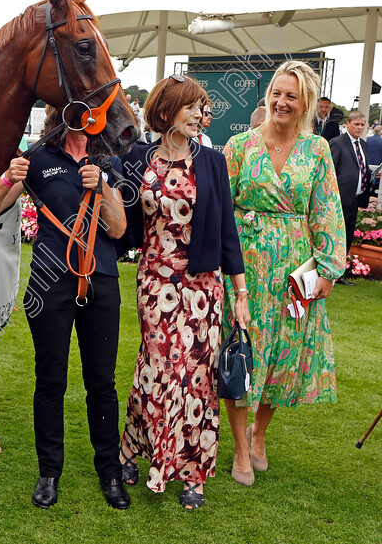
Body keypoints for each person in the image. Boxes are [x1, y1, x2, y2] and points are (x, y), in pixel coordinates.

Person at [0, 106, 131, 511]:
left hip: (102, 279)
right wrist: (10, 176)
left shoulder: (108, 160)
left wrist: (106, 187)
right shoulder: (37, 158)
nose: (82, 118)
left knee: (102, 382)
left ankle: (109, 472)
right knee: (50, 381)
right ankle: (49, 472)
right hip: (49, 283)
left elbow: (118, 229)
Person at [118, 75, 249, 510]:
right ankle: (136, 449)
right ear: (165, 111)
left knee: (195, 377)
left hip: (202, 286)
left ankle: (193, 471)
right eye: (190, 107)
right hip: (155, 283)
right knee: (159, 367)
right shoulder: (138, 159)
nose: (199, 114)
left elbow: (228, 229)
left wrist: (240, 292)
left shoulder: (211, 162)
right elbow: (123, 218)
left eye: (202, 106)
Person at [222, 60, 345, 488]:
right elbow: (222, 210)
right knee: (244, 352)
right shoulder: (239, 146)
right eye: (277, 92)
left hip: (295, 270)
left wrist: (328, 268)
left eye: (292, 95)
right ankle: (239, 447)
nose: (281, 101)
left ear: (306, 102)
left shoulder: (318, 151)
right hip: (246, 270)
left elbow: (328, 210)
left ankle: (259, 436)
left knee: (280, 357)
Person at [329, 111, 371, 285]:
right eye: (356, 124)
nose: (359, 128)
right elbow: (329, 172)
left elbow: (362, 167)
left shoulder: (363, 145)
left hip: (355, 198)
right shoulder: (337, 143)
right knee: (335, 235)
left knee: (348, 236)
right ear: (347, 124)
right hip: (339, 200)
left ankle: (339, 273)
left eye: (362, 125)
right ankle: (329, 272)